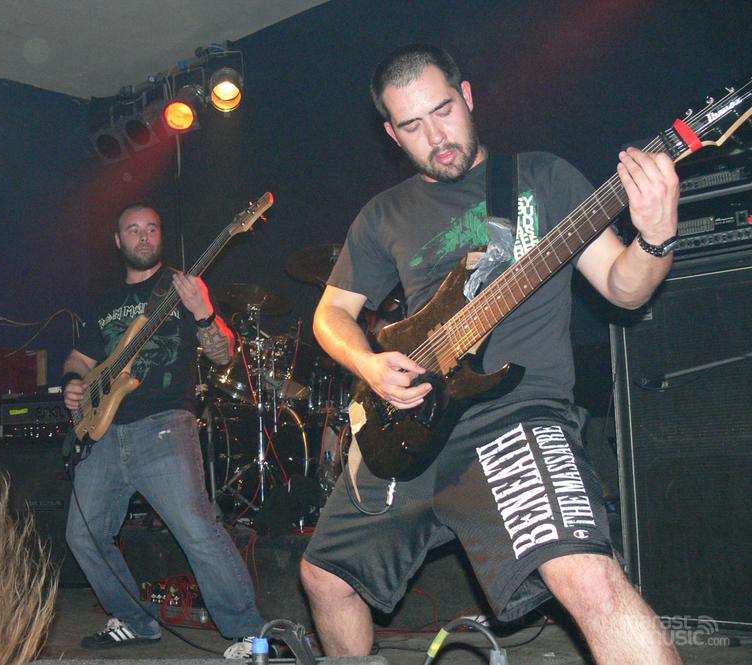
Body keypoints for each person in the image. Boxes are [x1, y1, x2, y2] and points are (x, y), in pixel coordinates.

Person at [300, 44, 682, 665]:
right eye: (413, 126)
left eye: (443, 111)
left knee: (589, 581)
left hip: (514, 416)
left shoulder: (543, 178)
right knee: (324, 577)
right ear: (392, 134)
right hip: (412, 425)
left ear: (468, 96)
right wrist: (369, 364)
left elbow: (623, 286)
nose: (436, 137)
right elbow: (330, 315)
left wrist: (656, 237)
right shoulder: (383, 215)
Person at [62, 204, 264, 659]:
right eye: (133, 229)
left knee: (196, 528)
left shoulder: (182, 288)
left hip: (163, 426)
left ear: (161, 236)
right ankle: (135, 620)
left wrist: (204, 313)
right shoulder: (104, 302)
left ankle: (250, 634)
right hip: (104, 432)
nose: (143, 236)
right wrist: (74, 382)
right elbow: (79, 359)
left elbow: (223, 355)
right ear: (118, 241)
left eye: (151, 228)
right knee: (83, 535)